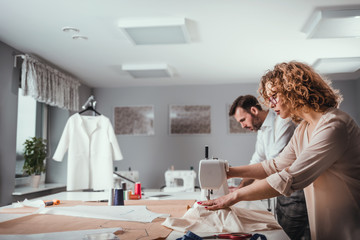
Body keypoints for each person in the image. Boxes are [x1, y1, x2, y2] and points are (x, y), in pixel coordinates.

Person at [198, 61, 360, 240]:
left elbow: (289, 177)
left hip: (350, 228)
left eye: (274, 95)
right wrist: (228, 172)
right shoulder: (303, 129)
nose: (270, 103)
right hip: (326, 226)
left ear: (295, 90)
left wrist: (233, 196)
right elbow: (274, 165)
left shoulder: (334, 125)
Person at [228, 95, 309, 240]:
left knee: (286, 237)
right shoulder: (262, 131)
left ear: (253, 110)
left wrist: (237, 188)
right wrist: (240, 187)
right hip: (281, 191)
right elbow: (256, 161)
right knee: (280, 232)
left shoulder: (283, 121)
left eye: (243, 120)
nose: (242, 126)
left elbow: (274, 164)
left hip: (296, 191)